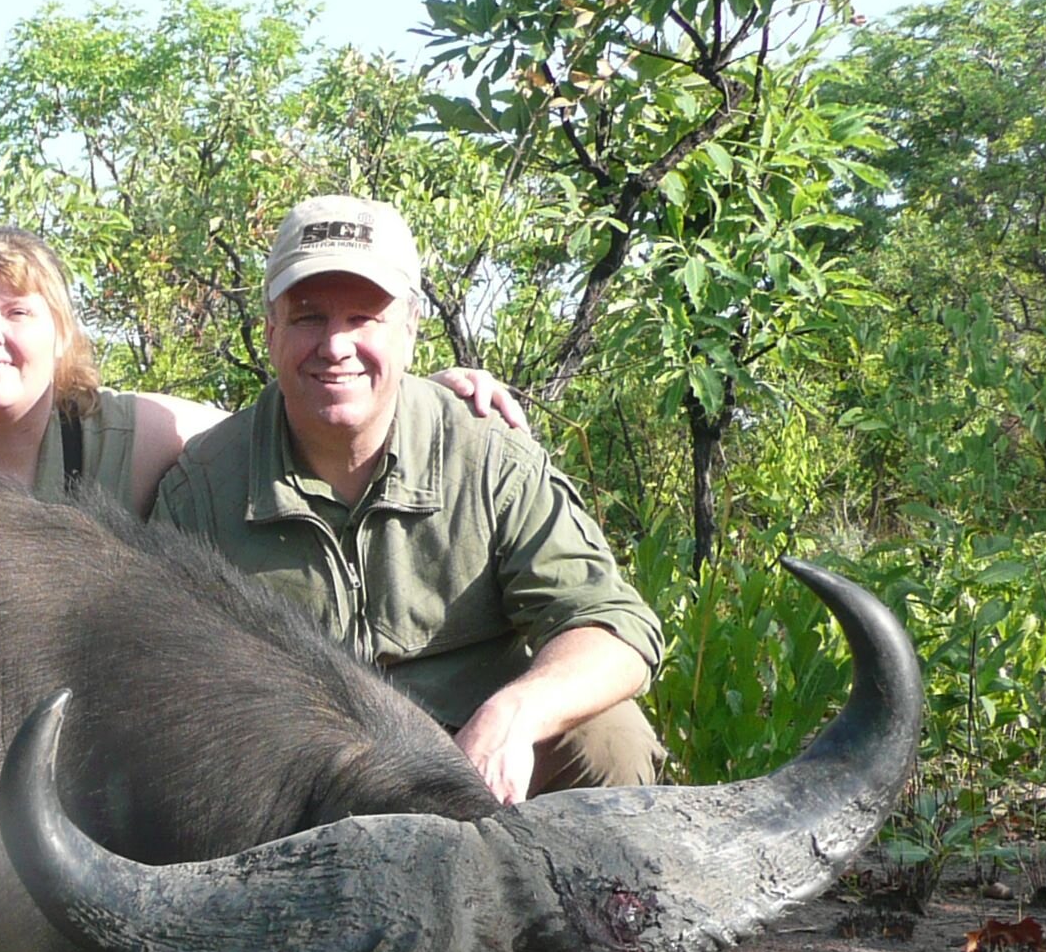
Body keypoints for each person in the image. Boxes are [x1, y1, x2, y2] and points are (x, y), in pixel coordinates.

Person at [148, 194, 664, 805]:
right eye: (309, 317)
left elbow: (615, 627)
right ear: (270, 329)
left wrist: (517, 714)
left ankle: (586, 900)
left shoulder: (488, 457)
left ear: (412, 327)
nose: (335, 346)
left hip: (478, 757)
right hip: (301, 777)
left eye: (363, 319)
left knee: (612, 739)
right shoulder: (204, 488)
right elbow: (163, 681)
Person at [0, 225, 525, 518]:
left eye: (17, 313)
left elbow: (292, 422)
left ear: (61, 334)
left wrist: (418, 396)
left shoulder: (133, 432)